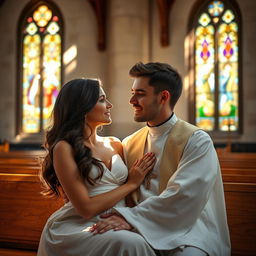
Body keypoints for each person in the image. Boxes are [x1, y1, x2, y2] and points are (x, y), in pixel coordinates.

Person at [90, 62, 231, 256]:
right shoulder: (130, 142)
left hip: (189, 232)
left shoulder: (197, 141)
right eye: (133, 92)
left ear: (163, 97)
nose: (131, 100)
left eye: (140, 94)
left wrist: (130, 219)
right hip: (138, 227)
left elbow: (183, 197)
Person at [37, 78, 157, 256]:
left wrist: (130, 219)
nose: (109, 105)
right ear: (82, 107)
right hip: (79, 225)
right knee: (131, 243)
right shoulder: (64, 147)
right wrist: (130, 184)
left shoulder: (115, 144)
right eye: (101, 100)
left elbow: (130, 199)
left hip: (117, 220)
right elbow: (86, 209)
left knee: (151, 238)